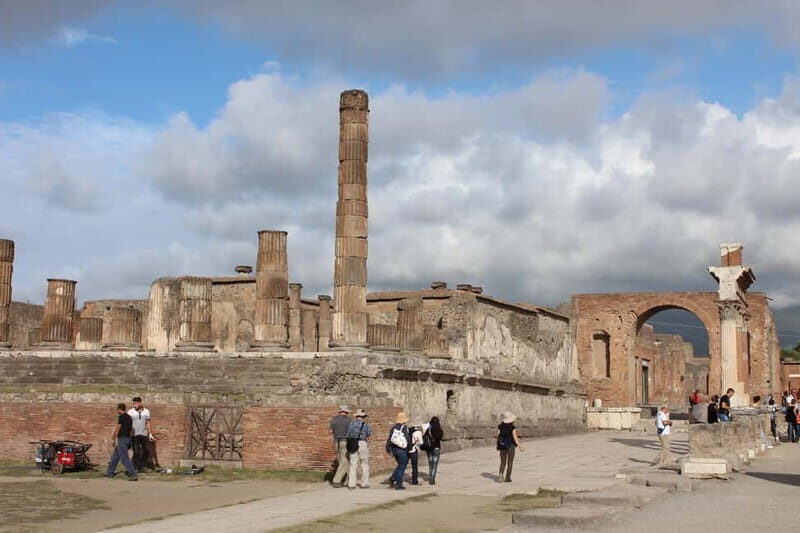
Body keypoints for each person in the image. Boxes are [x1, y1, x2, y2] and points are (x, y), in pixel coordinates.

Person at [104, 403, 138, 481]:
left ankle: (132, 474)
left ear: (119, 409)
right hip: (126, 438)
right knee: (115, 456)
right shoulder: (129, 418)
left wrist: (113, 438)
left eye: (117, 409)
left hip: (122, 438)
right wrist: (129, 440)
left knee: (124, 458)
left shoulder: (121, 417)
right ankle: (110, 472)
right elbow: (130, 430)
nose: (117, 411)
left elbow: (118, 428)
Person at [346, 409, 372, 490]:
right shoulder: (366, 425)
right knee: (364, 464)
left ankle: (351, 484)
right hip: (362, 443)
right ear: (363, 417)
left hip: (353, 443)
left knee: (353, 464)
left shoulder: (351, 424)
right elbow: (369, 434)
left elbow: (348, 434)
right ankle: (364, 483)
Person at [386, 412, 411, 490]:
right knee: (401, 467)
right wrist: (410, 448)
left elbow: (390, 439)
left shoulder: (393, 428)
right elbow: (407, 438)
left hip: (394, 449)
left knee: (400, 465)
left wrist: (388, 448)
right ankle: (398, 484)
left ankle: (393, 478)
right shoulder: (404, 428)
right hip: (402, 449)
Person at [497, 411, 523, 483]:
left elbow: (499, 435)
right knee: (510, 462)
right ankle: (507, 478)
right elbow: (515, 438)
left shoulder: (500, 426)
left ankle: (501, 473)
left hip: (502, 445)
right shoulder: (512, 427)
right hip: (510, 445)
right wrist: (520, 446)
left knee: (502, 462)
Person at [127, 396, 152, 473]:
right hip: (135, 435)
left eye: (136, 404)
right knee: (136, 452)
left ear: (140, 403)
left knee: (147, 451)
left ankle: (143, 466)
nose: (134, 405)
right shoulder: (130, 412)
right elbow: (128, 424)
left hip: (144, 434)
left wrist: (150, 433)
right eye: (133, 404)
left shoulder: (146, 411)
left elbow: (148, 423)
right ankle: (135, 467)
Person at [329, 405, 351, 487]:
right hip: (344, 441)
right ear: (346, 412)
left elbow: (330, 432)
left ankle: (344, 480)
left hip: (336, 441)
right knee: (345, 461)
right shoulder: (349, 420)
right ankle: (336, 480)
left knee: (341, 460)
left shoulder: (333, 420)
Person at [423, 416, 444, 485]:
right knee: (435, 464)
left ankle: (430, 476)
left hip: (429, 448)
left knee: (430, 463)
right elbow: (441, 437)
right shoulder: (439, 429)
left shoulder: (428, 428)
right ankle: (432, 479)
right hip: (436, 448)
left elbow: (425, 437)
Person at [408, 421, 423, 485]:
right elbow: (421, 442)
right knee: (414, 467)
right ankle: (414, 481)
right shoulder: (418, 433)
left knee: (402, 466)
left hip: (406, 450)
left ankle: (394, 478)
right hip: (413, 450)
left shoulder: (408, 431)